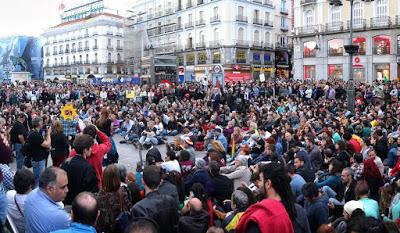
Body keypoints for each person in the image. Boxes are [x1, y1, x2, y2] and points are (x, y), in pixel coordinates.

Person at [235, 162, 295, 233]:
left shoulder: (258, 218)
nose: (258, 184)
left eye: (260, 180)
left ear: (268, 183)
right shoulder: (292, 209)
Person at [131, 165, 179, 233]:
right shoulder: (170, 200)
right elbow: (175, 225)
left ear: (143, 181)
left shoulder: (138, 208)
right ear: (160, 182)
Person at [24, 167, 71, 233]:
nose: (67, 190)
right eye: (63, 187)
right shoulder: (60, 216)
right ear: (50, 189)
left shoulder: (31, 194)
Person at [70, 125, 111, 189]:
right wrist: (99, 131)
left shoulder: (74, 151)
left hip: (78, 183)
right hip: (96, 182)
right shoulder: (100, 149)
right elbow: (108, 143)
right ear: (95, 136)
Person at [61, 134, 98, 205]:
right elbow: (92, 191)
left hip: (66, 202)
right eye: (90, 147)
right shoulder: (88, 168)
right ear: (85, 150)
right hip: (81, 205)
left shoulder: (66, 162)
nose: (91, 149)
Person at [95, 164, 132, 233]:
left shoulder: (99, 196)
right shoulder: (124, 191)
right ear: (117, 178)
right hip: (121, 227)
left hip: (106, 229)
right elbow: (129, 208)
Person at [6, 168, 35, 233]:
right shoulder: (32, 203)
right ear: (30, 186)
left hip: (13, 227)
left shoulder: (9, 194)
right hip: (24, 229)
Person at [28, 117, 52, 187]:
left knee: (37, 178)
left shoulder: (34, 133)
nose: (43, 124)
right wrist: (48, 133)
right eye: (41, 122)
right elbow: (48, 145)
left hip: (37, 158)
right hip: (38, 160)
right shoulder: (35, 135)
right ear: (39, 124)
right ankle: (36, 193)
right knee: (39, 179)